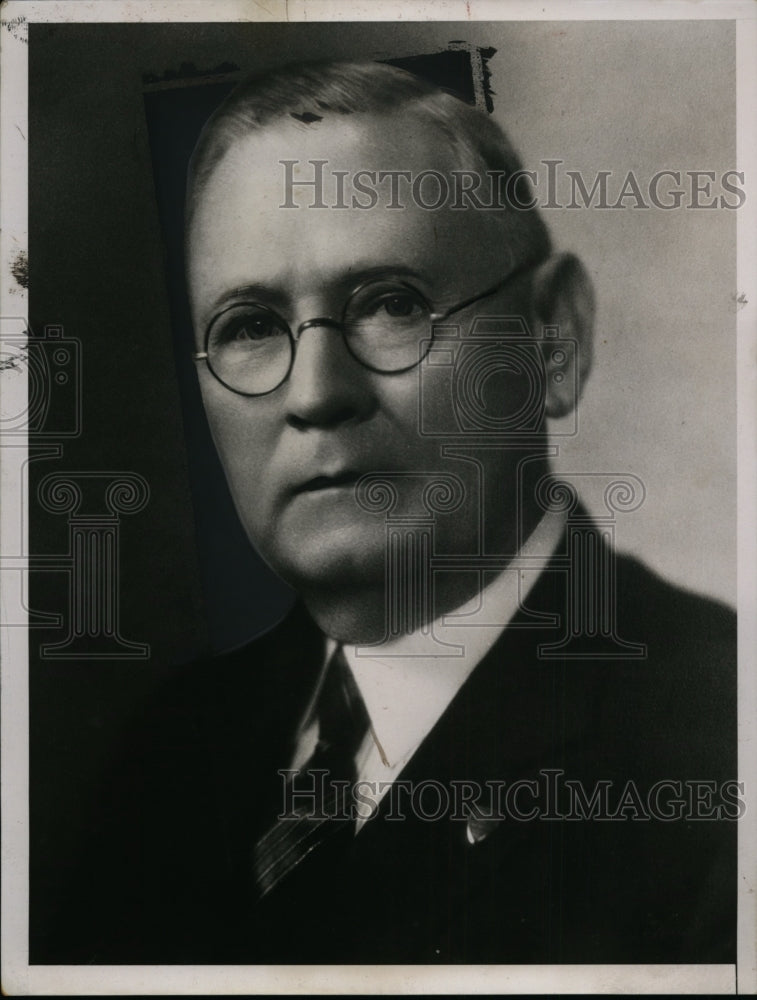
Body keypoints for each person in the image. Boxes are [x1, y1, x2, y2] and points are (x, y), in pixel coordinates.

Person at [45, 59, 736, 965]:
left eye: (390, 304)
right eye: (249, 326)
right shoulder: (166, 757)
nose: (317, 394)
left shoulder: (719, 744)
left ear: (551, 341)